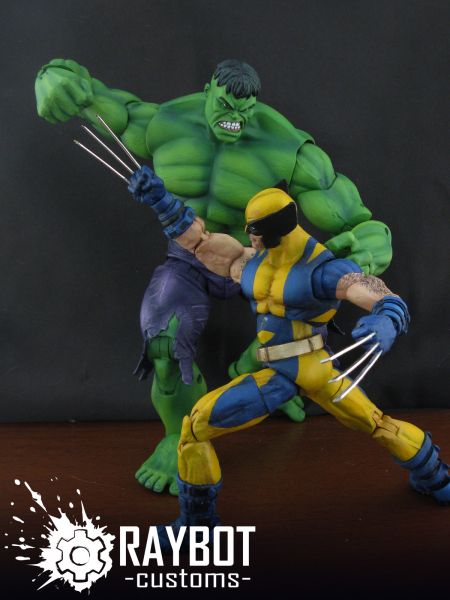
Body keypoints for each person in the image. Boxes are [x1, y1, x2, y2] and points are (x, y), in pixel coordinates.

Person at [36, 58, 393, 494]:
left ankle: (264, 372)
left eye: (245, 110)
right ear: (209, 91)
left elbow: (360, 223)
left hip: (257, 265)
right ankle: (178, 436)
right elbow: (91, 97)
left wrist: (365, 256)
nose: (234, 118)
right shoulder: (166, 123)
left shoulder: (287, 149)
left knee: (300, 329)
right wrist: (55, 80)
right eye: (225, 105)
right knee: (163, 345)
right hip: (191, 257)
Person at [127, 165, 449, 549]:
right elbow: (200, 244)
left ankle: (436, 477)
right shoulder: (253, 261)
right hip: (279, 370)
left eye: (254, 232)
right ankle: (198, 524)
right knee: (197, 427)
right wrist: (162, 202)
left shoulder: (321, 269)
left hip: (310, 369)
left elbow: (366, 286)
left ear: (275, 231)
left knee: (375, 424)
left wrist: (388, 314)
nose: (249, 237)